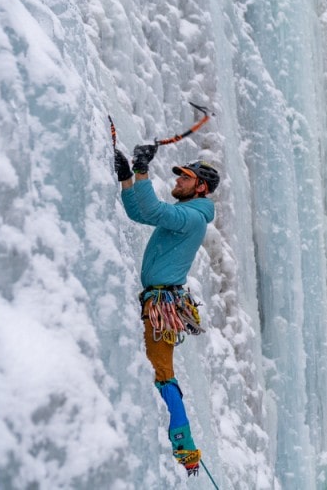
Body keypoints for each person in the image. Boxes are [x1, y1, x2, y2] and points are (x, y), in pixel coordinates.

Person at [114, 144, 219, 477]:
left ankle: (184, 447)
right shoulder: (186, 214)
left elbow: (154, 210)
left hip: (162, 306)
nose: (179, 181)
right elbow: (139, 213)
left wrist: (142, 170)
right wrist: (127, 178)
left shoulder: (191, 216)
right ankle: (181, 442)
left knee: (162, 373)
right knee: (159, 370)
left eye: (185, 178)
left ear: (200, 187)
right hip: (161, 301)